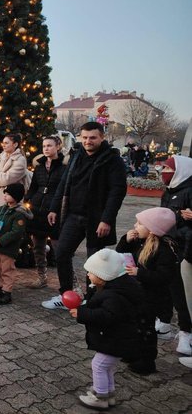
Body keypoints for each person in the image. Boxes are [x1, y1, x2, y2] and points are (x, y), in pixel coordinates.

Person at [42, 122, 127, 310]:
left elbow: (117, 192)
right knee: (62, 252)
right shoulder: (76, 155)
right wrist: (54, 207)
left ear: (102, 138)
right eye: (85, 137)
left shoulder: (113, 160)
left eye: (93, 137)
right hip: (74, 215)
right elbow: (65, 183)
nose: (88, 141)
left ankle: (92, 299)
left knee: (94, 262)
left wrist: (106, 219)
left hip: (97, 218)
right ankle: (66, 295)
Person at [71, 249, 144, 410]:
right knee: (107, 367)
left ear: (104, 276)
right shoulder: (114, 289)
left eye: (91, 272)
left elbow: (106, 316)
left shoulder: (113, 296)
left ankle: (100, 397)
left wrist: (82, 313)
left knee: (98, 365)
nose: (88, 275)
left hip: (116, 340)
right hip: (116, 339)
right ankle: (108, 394)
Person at [115, 207, 179, 375]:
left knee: (146, 330)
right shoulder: (139, 242)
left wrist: (140, 273)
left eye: (140, 223)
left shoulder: (164, 250)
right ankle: (132, 353)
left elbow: (164, 277)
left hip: (151, 299)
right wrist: (125, 240)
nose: (135, 226)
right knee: (132, 326)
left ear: (152, 230)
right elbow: (120, 253)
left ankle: (146, 362)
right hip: (136, 294)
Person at [159, 155, 192, 368]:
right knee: (165, 285)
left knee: (182, 291)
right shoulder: (168, 191)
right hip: (168, 244)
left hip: (185, 248)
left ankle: (186, 332)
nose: (164, 173)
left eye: (168, 169)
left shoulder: (189, 191)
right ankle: (163, 322)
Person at [24, 135, 67, 289]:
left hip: (54, 210)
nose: (46, 149)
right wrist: (27, 200)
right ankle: (42, 277)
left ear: (58, 146)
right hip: (37, 210)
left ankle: (69, 282)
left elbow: (64, 191)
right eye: (44, 146)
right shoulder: (40, 167)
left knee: (59, 247)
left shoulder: (64, 167)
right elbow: (34, 186)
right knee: (38, 247)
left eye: (49, 145)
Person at [0, 183, 32, 305]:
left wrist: (0, 241)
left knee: (7, 269)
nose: (5, 196)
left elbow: (16, 232)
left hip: (8, 248)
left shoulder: (19, 214)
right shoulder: (0, 210)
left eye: (8, 194)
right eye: (5, 193)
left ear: (16, 197)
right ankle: (0, 287)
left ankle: (7, 292)